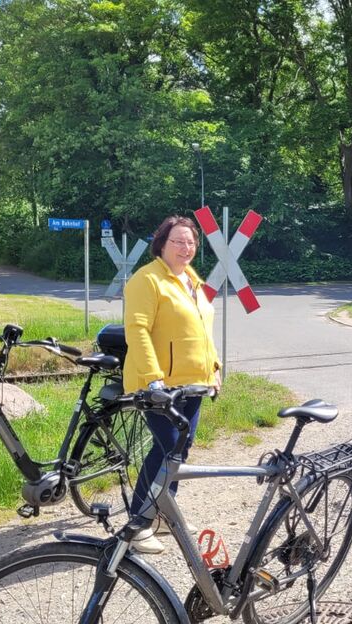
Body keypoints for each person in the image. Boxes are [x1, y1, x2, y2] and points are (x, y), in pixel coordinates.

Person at [123, 215, 221, 554]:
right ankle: (137, 524)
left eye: (191, 241)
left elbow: (203, 329)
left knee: (182, 447)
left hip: (193, 383)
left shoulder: (191, 279)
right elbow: (136, 330)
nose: (186, 247)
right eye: (178, 241)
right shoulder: (146, 280)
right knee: (167, 447)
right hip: (159, 386)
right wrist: (153, 379)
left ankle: (165, 514)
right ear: (161, 244)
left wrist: (214, 369)